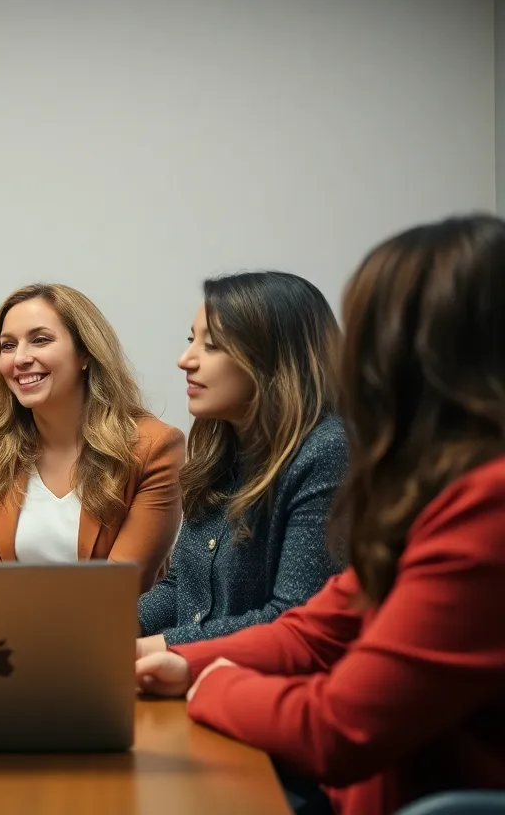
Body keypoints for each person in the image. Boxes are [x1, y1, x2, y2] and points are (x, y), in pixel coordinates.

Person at [136, 214, 505, 815]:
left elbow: (337, 727)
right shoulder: (435, 488)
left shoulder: (484, 502)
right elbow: (316, 627)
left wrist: (211, 680)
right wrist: (172, 658)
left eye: (368, 332)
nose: (352, 357)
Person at [136, 272, 346, 656]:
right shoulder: (221, 449)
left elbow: (295, 617)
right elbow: (180, 587)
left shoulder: (328, 451)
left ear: (272, 358)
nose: (185, 360)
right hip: (193, 678)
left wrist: (157, 648)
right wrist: (106, 625)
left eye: (212, 345)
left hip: (268, 684)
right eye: (191, 340)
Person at [0, 283, 184, 593]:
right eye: (8, 345)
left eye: (40, 340)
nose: (20, 358)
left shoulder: (155, 447)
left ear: (85, 353)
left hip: (107, 622)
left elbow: (117, 587)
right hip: (6, 622)